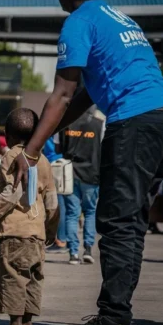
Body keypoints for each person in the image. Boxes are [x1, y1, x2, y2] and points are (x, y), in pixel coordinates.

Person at [12, 0, 163, 325]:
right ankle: (118, 316)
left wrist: (31, 152)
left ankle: (114, 320)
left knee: (117, 223)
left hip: (134, 122)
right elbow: (85, 96)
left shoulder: (79, 21)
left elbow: (63, 93)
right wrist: (42, 133)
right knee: (131, 222)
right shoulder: (118, 19)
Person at [0, 108, 59, 325]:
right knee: (34, 277)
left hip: (13, 232)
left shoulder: (11, 156)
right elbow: (52, 199)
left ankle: (14, 324)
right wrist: (52, 229)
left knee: (13, 276)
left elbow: (12, 193)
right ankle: (28, 323)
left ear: (9, 135)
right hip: (37, 232)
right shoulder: (43, 160)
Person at [59, 106, 104, 264]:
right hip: (91, 174)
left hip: (70, 174)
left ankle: (73, 253)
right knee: (90, 212)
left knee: (72, 214)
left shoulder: (67, 124)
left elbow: (60, 148)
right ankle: (88, 249)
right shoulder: (99, 124)